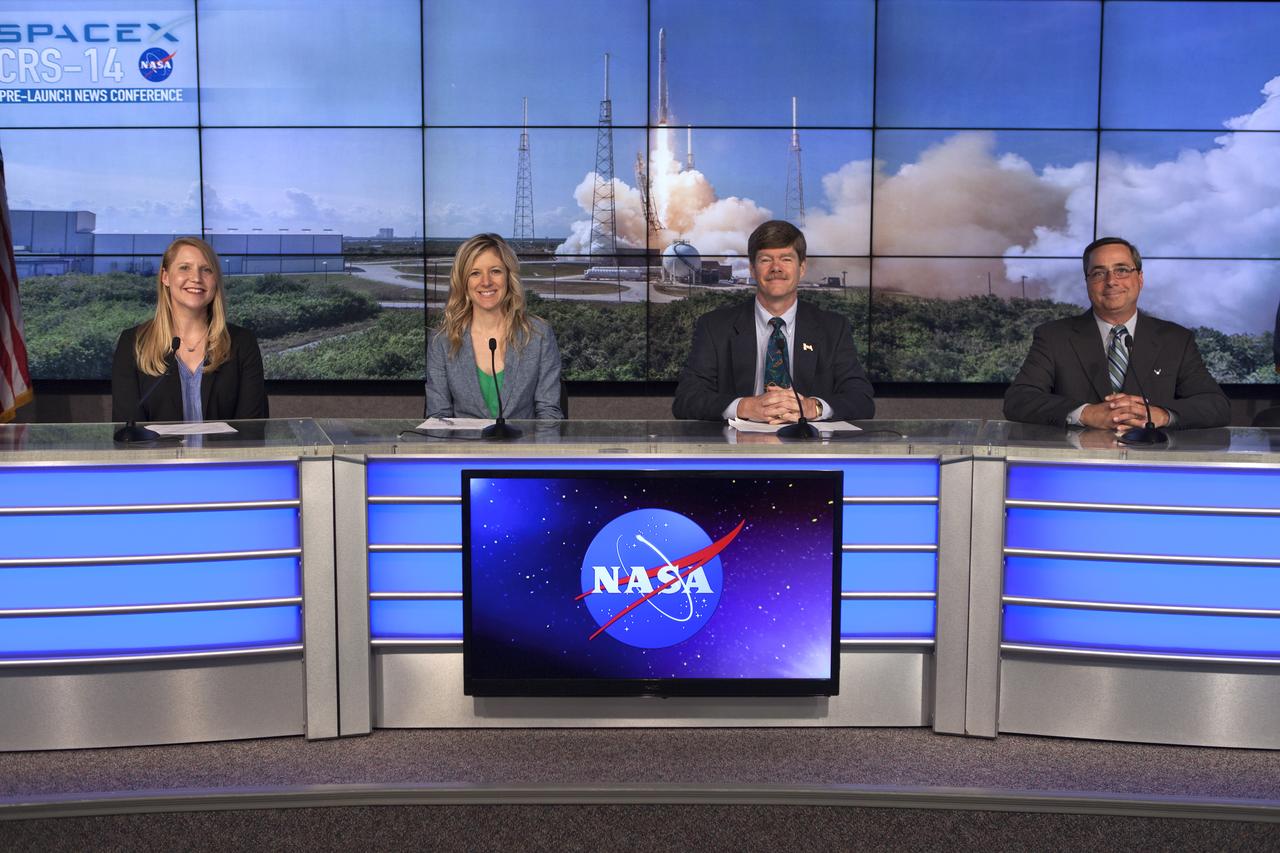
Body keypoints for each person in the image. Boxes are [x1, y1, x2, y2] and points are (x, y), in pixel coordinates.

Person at [1004, 236, 1228, 430]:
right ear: (1088, 282)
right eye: (1099, 273)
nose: (1111, 282)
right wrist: (1086, 414)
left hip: (1152, 466)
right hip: (1077, 465)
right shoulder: (1054, 337)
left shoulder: (1176, 340)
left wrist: (1160, 414)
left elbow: (1216, 405)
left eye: (1121, 270)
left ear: (1139, 279)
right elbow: (1019, 400)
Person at [672, 220, 874, 422]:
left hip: (809, 448)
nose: (776, 268)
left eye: (786, 259)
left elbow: (861, 399)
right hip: (738, 449)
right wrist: (743, 407)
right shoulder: (714, 327)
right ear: (752, 269)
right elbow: (686, 399)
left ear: (802, 268)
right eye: (766, 260)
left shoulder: (833, 328)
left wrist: (814, 407)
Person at [111, 237, 267, 423]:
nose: (196, 278)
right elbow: (128, 430)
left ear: (215, 280)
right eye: (185, 268)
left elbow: (253, 430)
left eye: (206, 270)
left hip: (224, 453)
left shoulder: (242, 343)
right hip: (159, 453)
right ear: (165, 277)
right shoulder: (133, 343)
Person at [426, 233, 563, 420]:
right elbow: (438, 418)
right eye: (475, 273)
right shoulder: (442, 341)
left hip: (523, 447)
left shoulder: (539, 335)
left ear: (508, 277)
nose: (486, 282)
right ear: (463, 282)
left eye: (495, 271)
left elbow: (549, 415)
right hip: (464, 448)